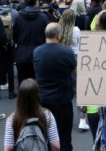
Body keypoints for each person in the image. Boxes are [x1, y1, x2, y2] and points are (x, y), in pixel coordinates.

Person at [33, 22, 77, 151]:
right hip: (62, 100)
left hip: (43, 99)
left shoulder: (37, 51)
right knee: (64, 136)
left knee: (44, 133)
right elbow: (74, 69)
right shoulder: (66, 52)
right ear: (59, 36)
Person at [3, 78, 59, 151]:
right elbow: (55, 146)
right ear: (37, 95)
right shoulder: (47, 115)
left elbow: (8, 148)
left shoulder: (12, 118)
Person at [13, 0, 48, 84]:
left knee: (23, 82)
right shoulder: (43, 17)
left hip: (22, 53)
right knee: (38, 82)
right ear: (36, 2)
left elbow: (14, 35)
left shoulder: (19, 17)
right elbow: (46, 35)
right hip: (39, 53)